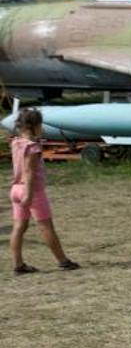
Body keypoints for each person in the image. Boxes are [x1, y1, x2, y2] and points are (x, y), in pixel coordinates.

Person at [10, 108, 78, 274]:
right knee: (46, 226)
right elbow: (30, 172)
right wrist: (29, 193)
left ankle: (18, 265)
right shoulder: (33, 147)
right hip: (31, 191)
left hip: (15, 189)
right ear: (35, 126)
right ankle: (63, 261)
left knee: (19, 226)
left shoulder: (15, 142)